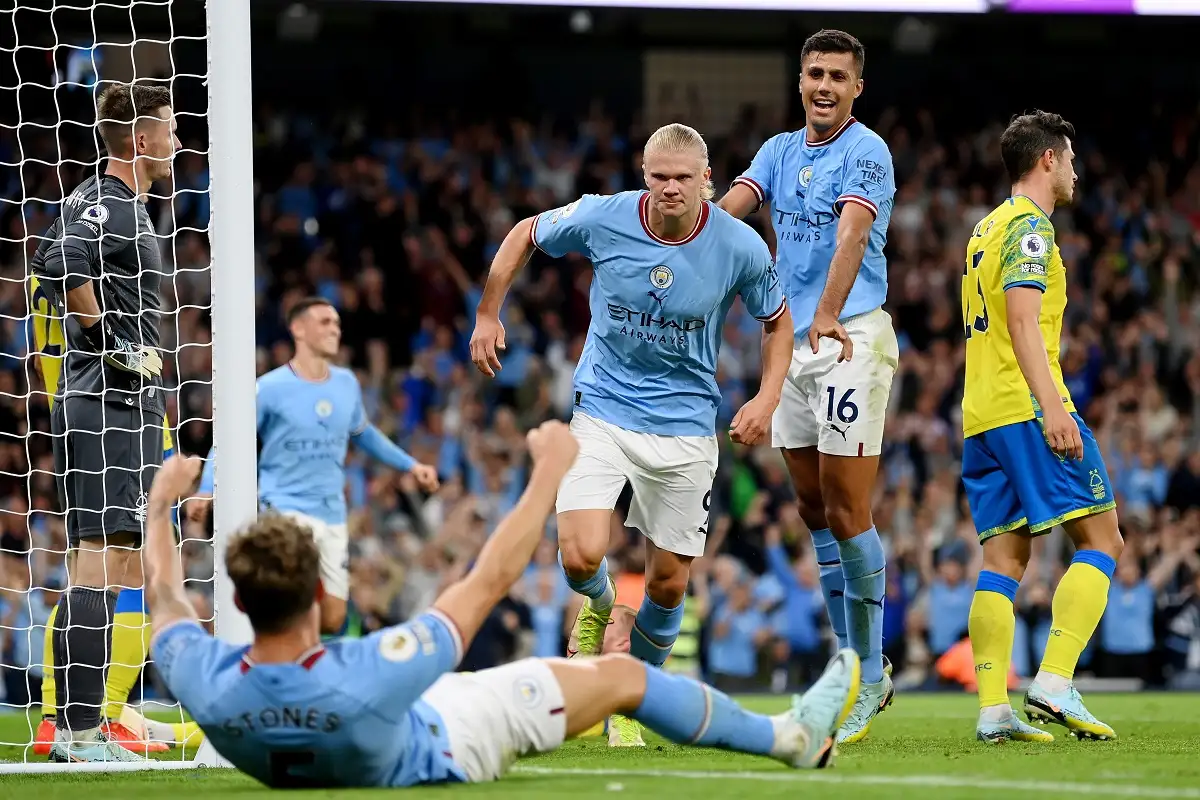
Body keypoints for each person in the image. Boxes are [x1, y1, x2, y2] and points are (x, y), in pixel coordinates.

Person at [144, 423, 862, 788]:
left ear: (235, 599)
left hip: (381, 724)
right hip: (450, 744)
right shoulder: (370, 670)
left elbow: (166, 597)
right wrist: (552, 469)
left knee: (575, 679)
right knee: (622, 680)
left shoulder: (204, 678)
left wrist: (157, 505)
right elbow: (486, 581)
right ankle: (788, 739)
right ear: (322, 599)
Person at [470, 122, 793, 745]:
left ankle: (627, 701)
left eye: (682, 178)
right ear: (644, 176)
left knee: (670, 583)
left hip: (687, 426)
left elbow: (777, 324)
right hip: (605, 410)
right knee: (579, 553)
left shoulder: (740, 246)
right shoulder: (603, 217)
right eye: (658, 176)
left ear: (708, 181)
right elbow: (524, 233)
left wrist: (767, 397)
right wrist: (488, 312)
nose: (669, 188)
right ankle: (599, 601)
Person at [717, 29, 898, 743]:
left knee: (851, 511)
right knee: (813, 508)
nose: (824, 85)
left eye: (838, 76)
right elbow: (734, 206)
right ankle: (848, 661)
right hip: (790, 345)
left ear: (858, 88)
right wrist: (681, 225)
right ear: (800, 81)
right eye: (815, 73)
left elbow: (852, 233)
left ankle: (870, 670)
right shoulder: (778, 150)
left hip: (848, 333)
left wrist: (824, 311)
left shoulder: (867, 150)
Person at [29, 81, 181, 763]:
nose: (179, 141)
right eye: (171, 130)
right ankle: (78, 733)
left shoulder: (133, 211)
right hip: (104, 402)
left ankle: (88, 726)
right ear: (141, 142)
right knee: (94, 566)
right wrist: (108, 341)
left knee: (118, 563)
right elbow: (57, 259)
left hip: (130, 407)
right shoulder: (106, 201)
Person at [960, 110, 1122, 743]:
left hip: (981, 414)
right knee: (1103, 539)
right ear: (1048, 160)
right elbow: (1023, 322)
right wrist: (1054, 405)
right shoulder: (1030, 230)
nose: (1076, 171)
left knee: (1004, 557)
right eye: (1072, 159)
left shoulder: (984, 229)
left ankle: (993, 710)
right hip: (1027, 406)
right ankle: (1055, 680)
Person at [193, 296, 440, 634]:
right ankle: (283, 674)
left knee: (333, 617)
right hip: (284, 509)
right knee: (294, 602)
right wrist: (207, 487)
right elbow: (230, 439)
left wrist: (411, 465)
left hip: (332, 513)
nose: (335, 329)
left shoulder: (346, 384)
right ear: (298, 328)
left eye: (337, 323)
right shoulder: (270, 388)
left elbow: (364, 433)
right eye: (325, 322)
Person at [27, 277, 201, 755]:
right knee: (138, 571)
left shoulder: (51, 264)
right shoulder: (99, 252)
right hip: (116, 411)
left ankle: (58, 716)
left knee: (89, 570)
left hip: (78, 409)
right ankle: (105, 712)